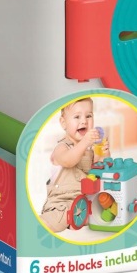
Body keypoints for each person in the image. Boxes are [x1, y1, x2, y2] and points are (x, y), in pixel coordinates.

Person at [39, 97, 109, 233]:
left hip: (85, 201)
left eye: (89, 116)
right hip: (62, 202)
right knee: (54, 220)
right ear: (63, 123)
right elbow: (68, 161)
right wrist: (85, 142)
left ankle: (78, 220)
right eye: (77, 117)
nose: (84, 121)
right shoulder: (61, 147)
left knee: (105, 208)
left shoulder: (90, 149)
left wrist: (103, 153)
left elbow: (100, 171)